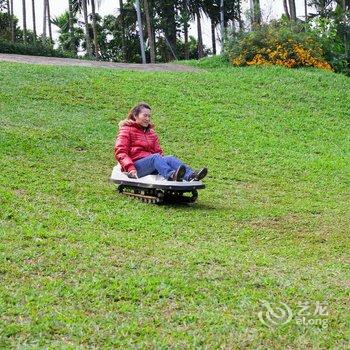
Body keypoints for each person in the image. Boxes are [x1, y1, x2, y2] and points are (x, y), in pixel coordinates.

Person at [114, 103, 208, 182]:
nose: (147, 119)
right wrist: (130, 168)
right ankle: (172, 176)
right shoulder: (126, 130)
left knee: (170, 158)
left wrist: (162, 165)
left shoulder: (150, 133)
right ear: (135, 116)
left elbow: (158, 153)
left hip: (152, 164)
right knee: (155, 157)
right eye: (145, 115)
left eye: (149, 116)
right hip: (135, 167)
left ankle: (191, 176)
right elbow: (121, 152)